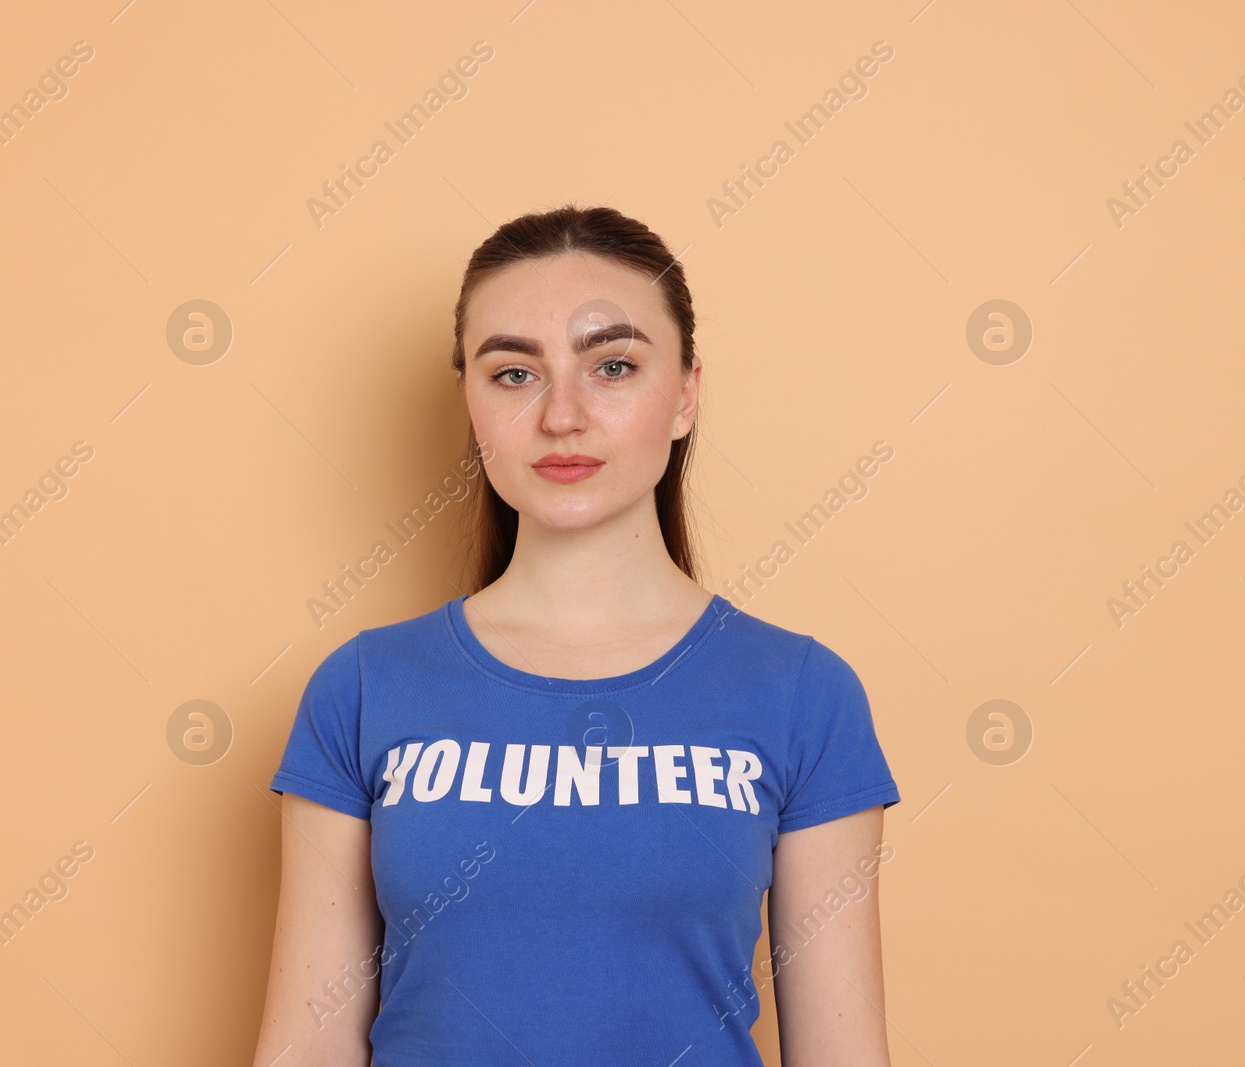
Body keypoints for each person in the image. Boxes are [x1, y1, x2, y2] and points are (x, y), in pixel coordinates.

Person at [251, 205, 902, 1066]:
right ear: (472, 402)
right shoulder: (364, 688)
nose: (562, 414)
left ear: (686, 394)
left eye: (614, 366)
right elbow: (306, 1047)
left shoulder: (803, 695)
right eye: (514, 374)